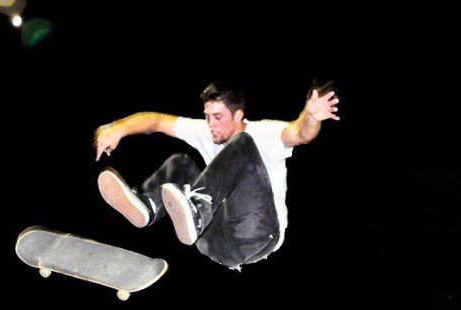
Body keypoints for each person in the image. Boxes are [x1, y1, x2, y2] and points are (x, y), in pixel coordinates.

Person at [93, 80, 340, 270]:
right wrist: (119, 127)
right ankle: (148, 207)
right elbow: (157, 121)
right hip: (213, 241)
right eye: (207, 117)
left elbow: (300, 134)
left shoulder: (265, 133)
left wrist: (309, 117)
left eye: (218, 117)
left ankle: (197, 211)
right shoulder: (208, 131)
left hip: (257, 235)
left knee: (242, 144)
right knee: (180, 163)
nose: (211, 124)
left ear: (238, 115)